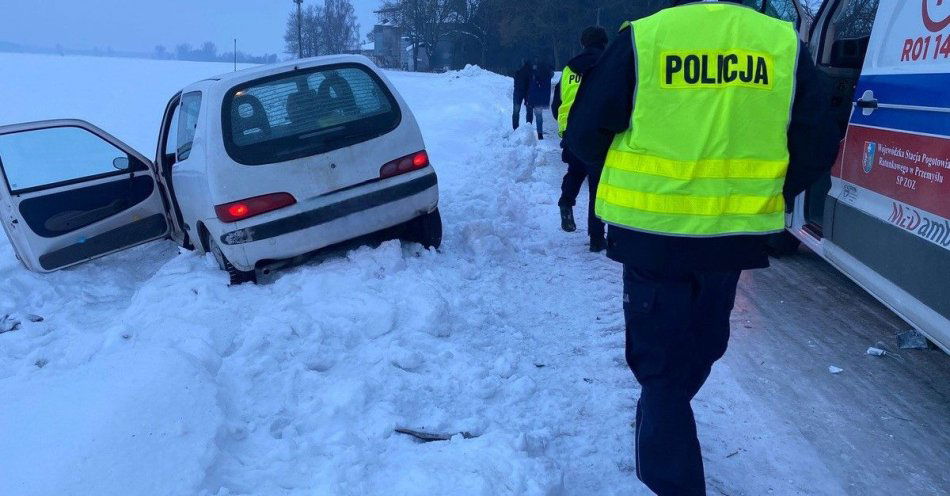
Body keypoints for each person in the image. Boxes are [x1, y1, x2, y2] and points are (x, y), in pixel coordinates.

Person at [564, 1, 840, 494]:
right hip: (728, 242)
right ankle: (668, 457)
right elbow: (819, 141)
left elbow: (585, 131)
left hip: (654, 238)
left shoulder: (647, 37)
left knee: (667, 364)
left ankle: (663, 441)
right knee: (690, 353)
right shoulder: (780, 44)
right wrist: (767, 195)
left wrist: (627, 183)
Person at [552, 26, 608, 251]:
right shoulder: (607, 64)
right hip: (598, 133)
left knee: (575, 171)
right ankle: (596, 239)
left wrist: (566, 127)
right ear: (604, 43)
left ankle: (566, 201)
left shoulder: (568, 68)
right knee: (597, 187)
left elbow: (556, 105)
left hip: (572, 133)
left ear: (583, 43)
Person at [527, 60, 554, 139]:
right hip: (542, 98)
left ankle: (528, 134)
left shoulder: (534, 74)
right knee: (539, 116)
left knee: (532, 114)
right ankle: (539, 133)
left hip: (534, 97)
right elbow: (552, 74)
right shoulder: (547, 73)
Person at [512, 59, 534, 130]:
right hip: (519, 91)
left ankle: (528, 129)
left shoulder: (529, 65)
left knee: (529, 110)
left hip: (527, 91)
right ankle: (516, 129)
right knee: (516, 111)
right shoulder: (516, 63)